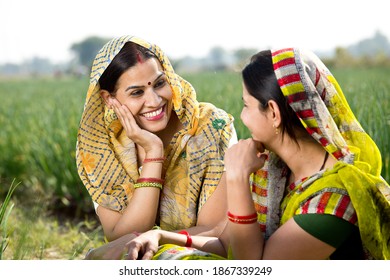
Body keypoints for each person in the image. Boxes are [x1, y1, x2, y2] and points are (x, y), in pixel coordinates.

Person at [118, 48, 390, 260]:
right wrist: (160, 236)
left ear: (273, 112)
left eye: (246, 106)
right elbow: (228, 243)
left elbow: (254, 267)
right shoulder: (273, 166)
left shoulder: (333, 201)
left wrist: (236, 177)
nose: (242, 117)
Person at [76, 35, 237, 254]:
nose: (154, 101)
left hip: (196, 255)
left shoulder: (211, 127)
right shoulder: (101, 145)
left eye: (160, 83)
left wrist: (157, 240)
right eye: (137, 92)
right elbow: (120, 236)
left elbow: (215, 231)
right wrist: (153, 153)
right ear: (108, 99)